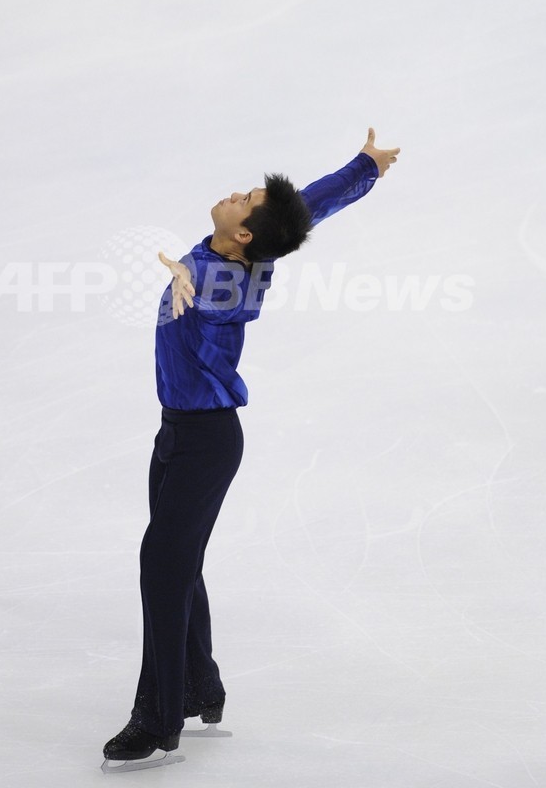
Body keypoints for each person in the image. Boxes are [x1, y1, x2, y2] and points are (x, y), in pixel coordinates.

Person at [101, 127, 400, 768]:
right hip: (177, 432)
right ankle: (199, 686)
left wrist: (189, 277)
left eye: (247, 200)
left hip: (205, 441)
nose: (238, 192)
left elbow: (219, 296)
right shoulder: (248, 244)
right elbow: (310, 204)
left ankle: (157, 720)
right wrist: (365, 166)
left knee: (162, 567)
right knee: (177, 562)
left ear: (242, 236)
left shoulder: (220, 283)